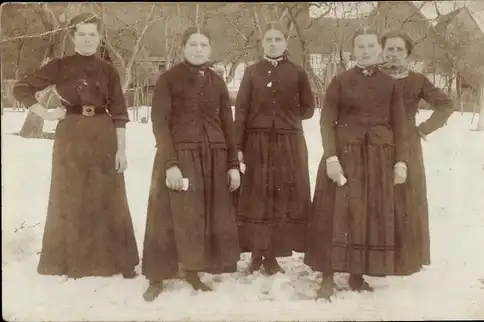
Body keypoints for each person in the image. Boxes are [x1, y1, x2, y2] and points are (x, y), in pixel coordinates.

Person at [12, 13, 139, 279]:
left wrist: (122, 149)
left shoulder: (108, 69)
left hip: (103, 134)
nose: (87, 39)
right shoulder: (59, 65)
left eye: (92, 34)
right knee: (69, 195)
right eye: (81, 34)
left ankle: (112, 263)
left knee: (107, 196)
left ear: (100, 37)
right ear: (72, 37)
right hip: (70, 135)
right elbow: (22, 88)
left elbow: (119, 112)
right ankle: (68, 263)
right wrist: (45, 114)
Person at [304, 27, 409, 299]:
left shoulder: (391, 85)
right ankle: (327, 275)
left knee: (366, 216)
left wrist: (400, 162)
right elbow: (326, 122)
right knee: (334, 215)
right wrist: (331, 157)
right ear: (353, 51)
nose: (365, 50)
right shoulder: (340, 81)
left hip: (378, 159)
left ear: (379, 49)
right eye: (360, 46)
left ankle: (356, 274)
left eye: (370, 45)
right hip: (345, 157)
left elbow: (400, 126)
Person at [141, 26, 241, 302]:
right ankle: (157, 276)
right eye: (193, 44)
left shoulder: (217, 81)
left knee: (200, 216)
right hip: (179, 157)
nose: (199, 49)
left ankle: (193, 270)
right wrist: (171, 163)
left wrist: (232, 163)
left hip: (213, 157)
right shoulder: (168, 79)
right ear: (183, 47)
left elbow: (228, 124)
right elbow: (160, 124)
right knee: (168, 217)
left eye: (204, 45)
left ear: (210, 49)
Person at [234, 21, 315, 275]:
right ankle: (257, 254)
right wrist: (238, 145)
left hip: (288, 142)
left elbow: (309, 108)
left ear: (285, 43)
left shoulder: (297, 72)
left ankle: (273, 255)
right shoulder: (251, 72)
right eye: (268, 40)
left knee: (282, 197)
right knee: (258, 197)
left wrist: (286, 117)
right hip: (256, 142)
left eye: (277, 39)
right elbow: (242, 110)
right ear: (262, 44)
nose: (273, 43)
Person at [380, 30, 454, 275]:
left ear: (408, 55)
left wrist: (424, 129)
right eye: (389, 48)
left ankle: (405, 259)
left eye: (399, 49)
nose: (394, 53)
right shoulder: (373, 77)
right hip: (376, 143)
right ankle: (376, 256)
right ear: (382, 50)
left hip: (407, 145)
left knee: (406, 199)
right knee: (378, 197)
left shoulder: (417, 80)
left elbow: (445, 104)